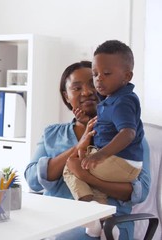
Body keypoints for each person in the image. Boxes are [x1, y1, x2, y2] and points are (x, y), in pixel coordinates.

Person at [24, 60, 150, 239]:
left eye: (93, 83)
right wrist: (78, 146)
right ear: (66, 96)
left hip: (108, 226)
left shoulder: (129, 137)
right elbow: (32, 181)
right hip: (56, 219)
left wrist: (87, 177)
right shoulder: (52, 134)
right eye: (76, 88)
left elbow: (140, 192)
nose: (88, 91)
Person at [62, 40, 144, 238]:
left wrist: (100, 155)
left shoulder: (123, 101)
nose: (98, 80)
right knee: (86, 172)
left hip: (122, 163)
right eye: (96, 74)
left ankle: (92, 213)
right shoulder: (111, 101)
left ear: (127, 76)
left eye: (106, 74)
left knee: (71, 166)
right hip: (120, 163)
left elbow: (128, 133)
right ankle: (105, 223)